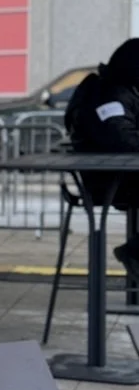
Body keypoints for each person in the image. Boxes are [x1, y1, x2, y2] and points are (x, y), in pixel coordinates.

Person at [64, 39, 139, 279]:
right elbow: (122, 138)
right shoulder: (111, 95)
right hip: (110, 182)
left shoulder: (119, 91)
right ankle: (136, 252)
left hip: (120, 178)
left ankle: (136, 252)